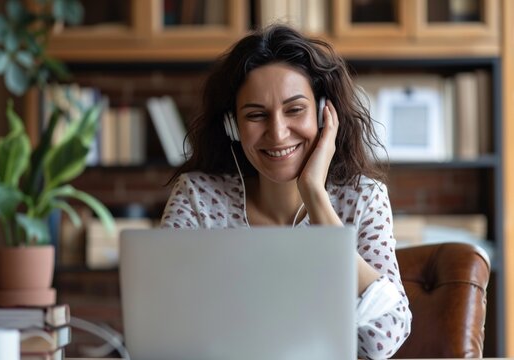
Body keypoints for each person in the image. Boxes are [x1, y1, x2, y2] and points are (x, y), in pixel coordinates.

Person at [160, 24, 411, 359]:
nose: (277, 133)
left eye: (295, 109)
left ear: (325, 114)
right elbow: (162, 328)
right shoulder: (197, 197)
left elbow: (384, 339)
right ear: (232, 126)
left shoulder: (364, 198)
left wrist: (316, 197)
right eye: (256, 115)